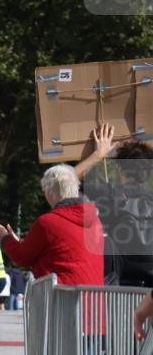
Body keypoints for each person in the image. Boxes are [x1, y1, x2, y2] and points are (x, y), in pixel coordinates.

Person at [0, 164, 104, 286]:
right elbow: (62, 251)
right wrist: (18, 243)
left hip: (62, 296)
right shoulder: (95, 222)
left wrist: (4, 238)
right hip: (93, 296)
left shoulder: (48, 222)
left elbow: (23, 258)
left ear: (49, 192)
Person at [75, 123, 153, 288]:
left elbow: (66, 181)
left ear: (119, 169)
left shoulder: (108, 193)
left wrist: (98, 154)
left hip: (118, 286)